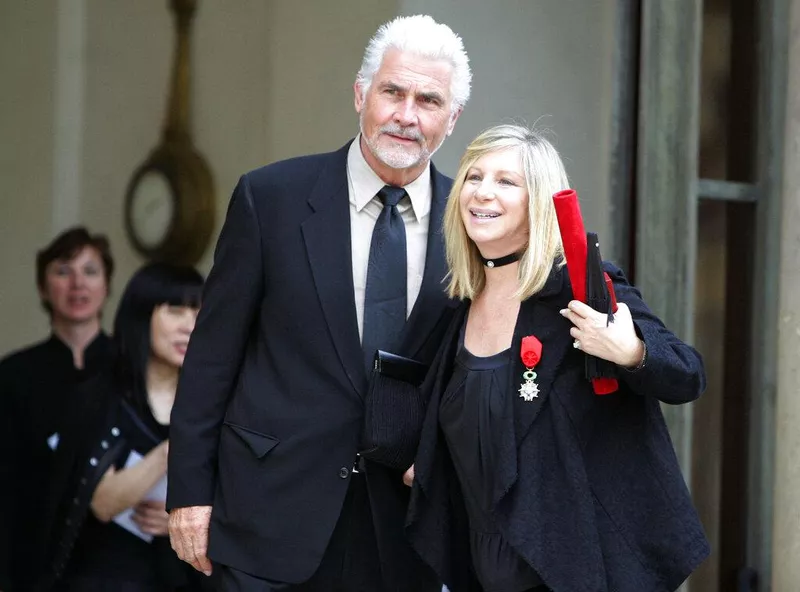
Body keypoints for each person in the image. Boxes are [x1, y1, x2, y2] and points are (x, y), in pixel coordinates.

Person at [166, 14, 471, 592]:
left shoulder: (471, 223)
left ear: (452, 119)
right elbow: (211, 359)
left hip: (403, 534)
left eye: (429, 100)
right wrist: (189, 497)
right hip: (266, 516)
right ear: (361, 94)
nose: (407, 115)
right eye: (392, 92)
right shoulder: (270, 198)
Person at [402, 125, 710, 592]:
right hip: (480, 570)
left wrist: (631, 351)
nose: (483, 192)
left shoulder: (580, 289)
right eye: (474, 176)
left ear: (539, 203)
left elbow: (687, 375)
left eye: (507, 181)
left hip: (570, 568)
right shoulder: (458, 308)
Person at [35, 262, 205, 591]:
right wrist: (171, 450)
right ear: (142, 315)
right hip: (105, 575)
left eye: (199, 313)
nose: (190, 326)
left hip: (181, 577)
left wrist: (179, 520)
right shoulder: (100, 396)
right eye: (175, 310)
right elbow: (102, 503)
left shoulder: (210, 404)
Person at [0, 227, 115, 591]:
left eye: (90, 271)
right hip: (34, 554)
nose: (77, 283)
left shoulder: (129, 369)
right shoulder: (13, 374)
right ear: (42, 287)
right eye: (63, 271)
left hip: (117, 558)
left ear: (107, 285)